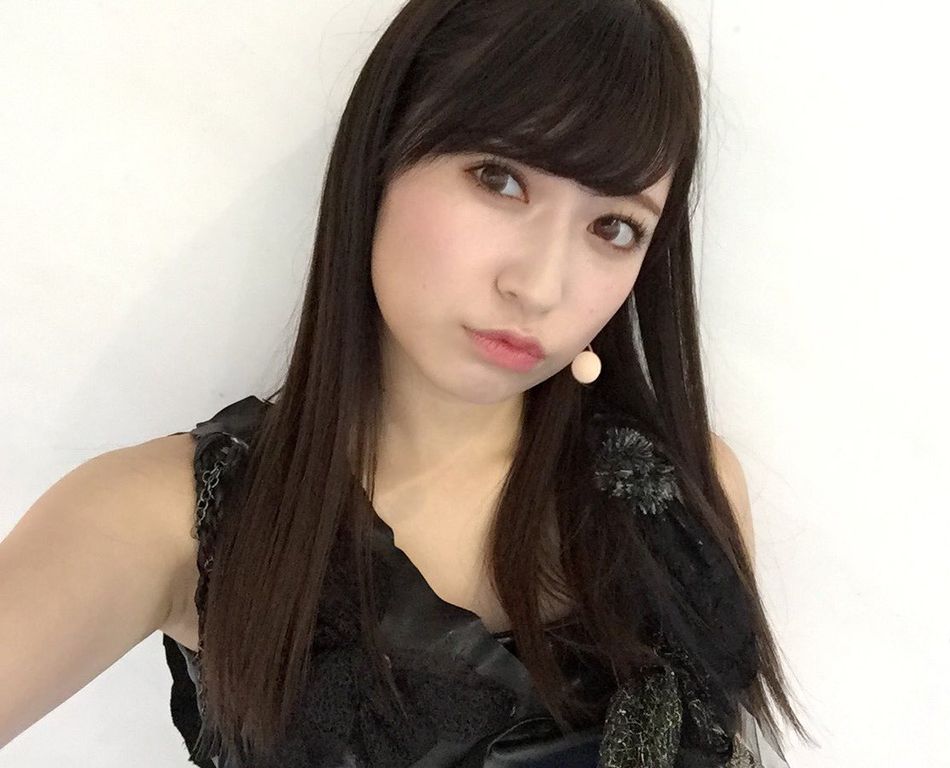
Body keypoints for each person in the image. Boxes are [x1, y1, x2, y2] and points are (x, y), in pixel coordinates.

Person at [0, 0, 816, 765]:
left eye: (614, 227)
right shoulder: (164, 523)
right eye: (499, 179)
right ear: (383, 155)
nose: (540, 285)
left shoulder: (685, 497)